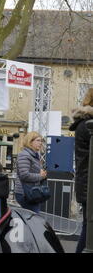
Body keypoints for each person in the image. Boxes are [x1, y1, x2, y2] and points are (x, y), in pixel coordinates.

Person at [69, 87, 93, 253]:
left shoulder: (83, 124)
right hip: (89, 185)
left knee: (88, 226)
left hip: (86, 183)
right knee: (88, 227)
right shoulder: (88, 125)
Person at [14, 131, 47, 213]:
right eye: (38, 140)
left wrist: (41, 173)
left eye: (41, 141)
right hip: (25, 193)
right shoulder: (25, 155)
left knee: (31, 218)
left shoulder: (34, 155)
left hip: (31, 192)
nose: (40, 143)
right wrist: (41, 176)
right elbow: (24, 175)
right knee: (34, 218)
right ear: (30, 142)